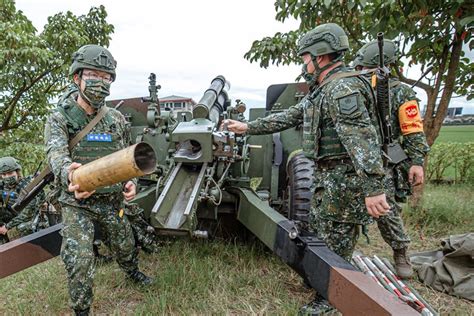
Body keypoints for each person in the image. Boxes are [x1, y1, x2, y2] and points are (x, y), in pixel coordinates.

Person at [225, 23, 389, 313]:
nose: (304, 64)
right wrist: (248, 126)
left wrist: (374, 188)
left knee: (338, 241)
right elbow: (287, 116)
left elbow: (362, 141)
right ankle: (323, 282)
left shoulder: (341, 89)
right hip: (329, 178)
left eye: (305, 58)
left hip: (344, 181)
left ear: (320, 55)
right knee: (325, 235)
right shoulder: (323, 90)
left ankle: (331, 299)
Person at [44, 44, 152, 316]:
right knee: (79, 260)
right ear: (76, 77)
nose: (100, 83)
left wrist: (131, 182)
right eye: (93, 74)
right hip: (77, 201)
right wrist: (70, 173)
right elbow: (56, 154)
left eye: (106, 78)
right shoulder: (60, 118)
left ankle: (132, 272)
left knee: (125, 243)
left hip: (112, 198)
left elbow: (125, 155)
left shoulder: (115, 118)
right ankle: (82, 310)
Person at [352, 39, 430, 278]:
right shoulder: (352, 88)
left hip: (384, 161)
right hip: (351, 159)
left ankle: (400, 252)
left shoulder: (401, 93)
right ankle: (340, 255)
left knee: (386, 210)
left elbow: (413, 130)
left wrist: (416, 161)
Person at [0, 157, 47, 243]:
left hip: (31, 218)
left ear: (17, 172)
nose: (7, 177)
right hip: (13, 215)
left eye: (10, 173)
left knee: (22, 228)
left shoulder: (28, 186)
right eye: (4, 174)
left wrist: (7, 227)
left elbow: (27, 214)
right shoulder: (2, 186)